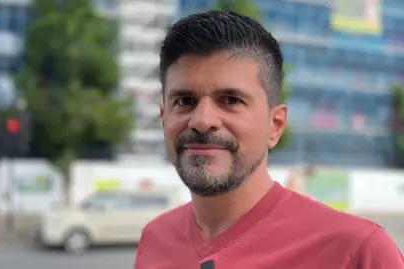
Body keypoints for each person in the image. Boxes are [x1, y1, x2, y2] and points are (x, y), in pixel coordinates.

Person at [134, 11, 404, 268]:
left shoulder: (356, 252)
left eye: (231, 100)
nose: (202, 120)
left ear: (275, 126)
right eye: (184, 101)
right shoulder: (155, 239)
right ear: (163, 117)